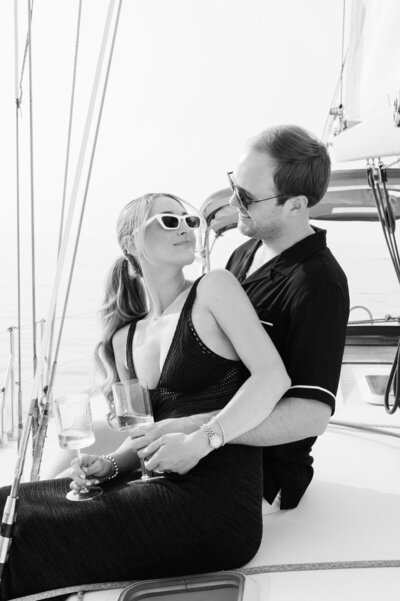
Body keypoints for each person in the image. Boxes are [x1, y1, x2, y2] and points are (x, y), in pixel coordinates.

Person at [0, 192, 290, 600]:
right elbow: (143, 436)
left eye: (189, 220)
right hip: (151, 488)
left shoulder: (213, 289)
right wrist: (111, 465)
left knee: (25, 532)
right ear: (133, 242)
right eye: (169, 221)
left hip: (216, 507)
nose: (187, 228)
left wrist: (202, 440)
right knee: (6, 507)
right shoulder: (124, 339)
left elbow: (272, 378)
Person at [130, 125, 349, 512]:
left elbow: (311, 415)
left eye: (246, 196)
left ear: (296, 205)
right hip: (205, 447)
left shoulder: (319, 284)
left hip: (263, 474)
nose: (232, 201)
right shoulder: (245, 254)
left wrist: (201, 433)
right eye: (234, 185)